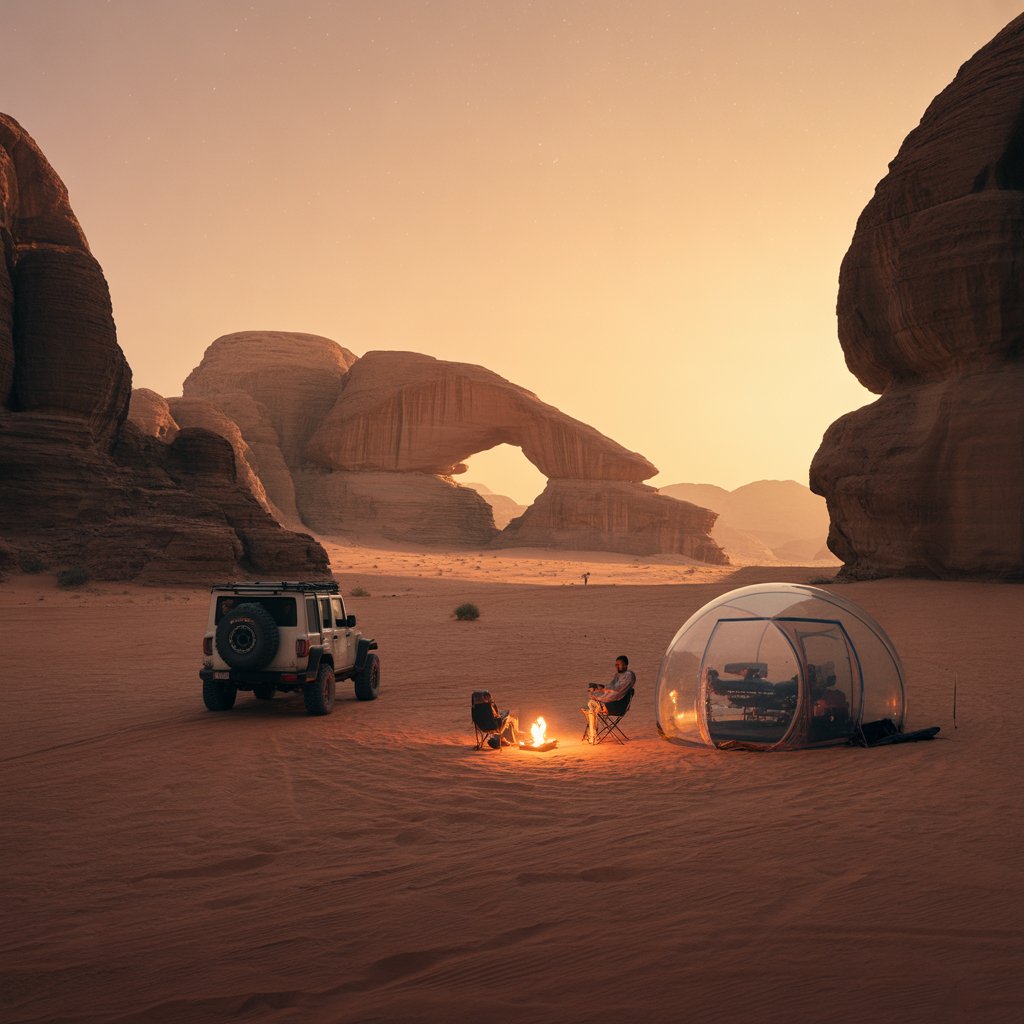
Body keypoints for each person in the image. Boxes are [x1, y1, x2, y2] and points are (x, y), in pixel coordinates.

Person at [584, 655, 636, 743]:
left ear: (626, 665)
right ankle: (593, 735)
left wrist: (600, 698)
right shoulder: (618, 675)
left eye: (619, 664)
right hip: (612, 702)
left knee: (591, 705)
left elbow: (617, 692)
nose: (617, 666)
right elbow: (610, 687)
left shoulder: (629, 675)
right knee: (591, 705)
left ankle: (593, 736)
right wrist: (599, 687)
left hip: (618, 705)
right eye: (616, 665)